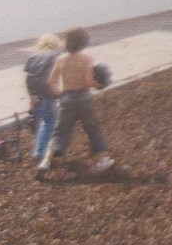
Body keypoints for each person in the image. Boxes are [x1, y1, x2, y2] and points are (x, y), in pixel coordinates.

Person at [37, 27, 114, 174]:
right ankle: (101, 162)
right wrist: (101, 84)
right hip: (84, 98)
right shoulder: (87, 59)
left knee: (60, 131)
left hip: (67, 98)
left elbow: (51, 82)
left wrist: (61, 94)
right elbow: (88, 82)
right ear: (83, 42)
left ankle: (45, 162)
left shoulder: (61, 59)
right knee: (93, 130)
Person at [25, 34, 63, 161]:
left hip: (35, 92)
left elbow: (28, 79)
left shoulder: (33, 57)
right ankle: (40, 153)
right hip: (48, 93)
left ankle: (41, 147)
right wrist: (59, 94)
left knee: (41, 121)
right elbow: (54, 78)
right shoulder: (55, 56)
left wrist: (31, 98)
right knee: (50, 122)